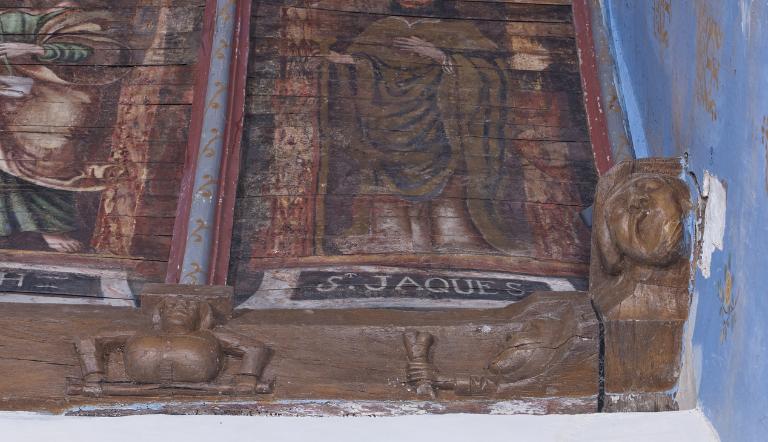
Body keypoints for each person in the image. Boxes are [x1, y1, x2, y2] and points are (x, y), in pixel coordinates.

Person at [323, 0, 530, 255]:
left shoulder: (458, 30)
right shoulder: (382, 27)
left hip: (440, 125)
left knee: (451, 186)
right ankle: (394, 236)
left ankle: (451, 236)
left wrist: (441, 56)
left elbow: (492, 72)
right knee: (387, 185)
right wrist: (349, 61)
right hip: (389, 128)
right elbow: (369, 61)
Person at [0, 3, 128, 252]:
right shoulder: (9, 18)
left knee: (47, 141)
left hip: (58, 93)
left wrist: (38, 50)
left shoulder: (79, 16)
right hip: (10, 92)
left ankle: (51, 225)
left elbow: (104, 53)